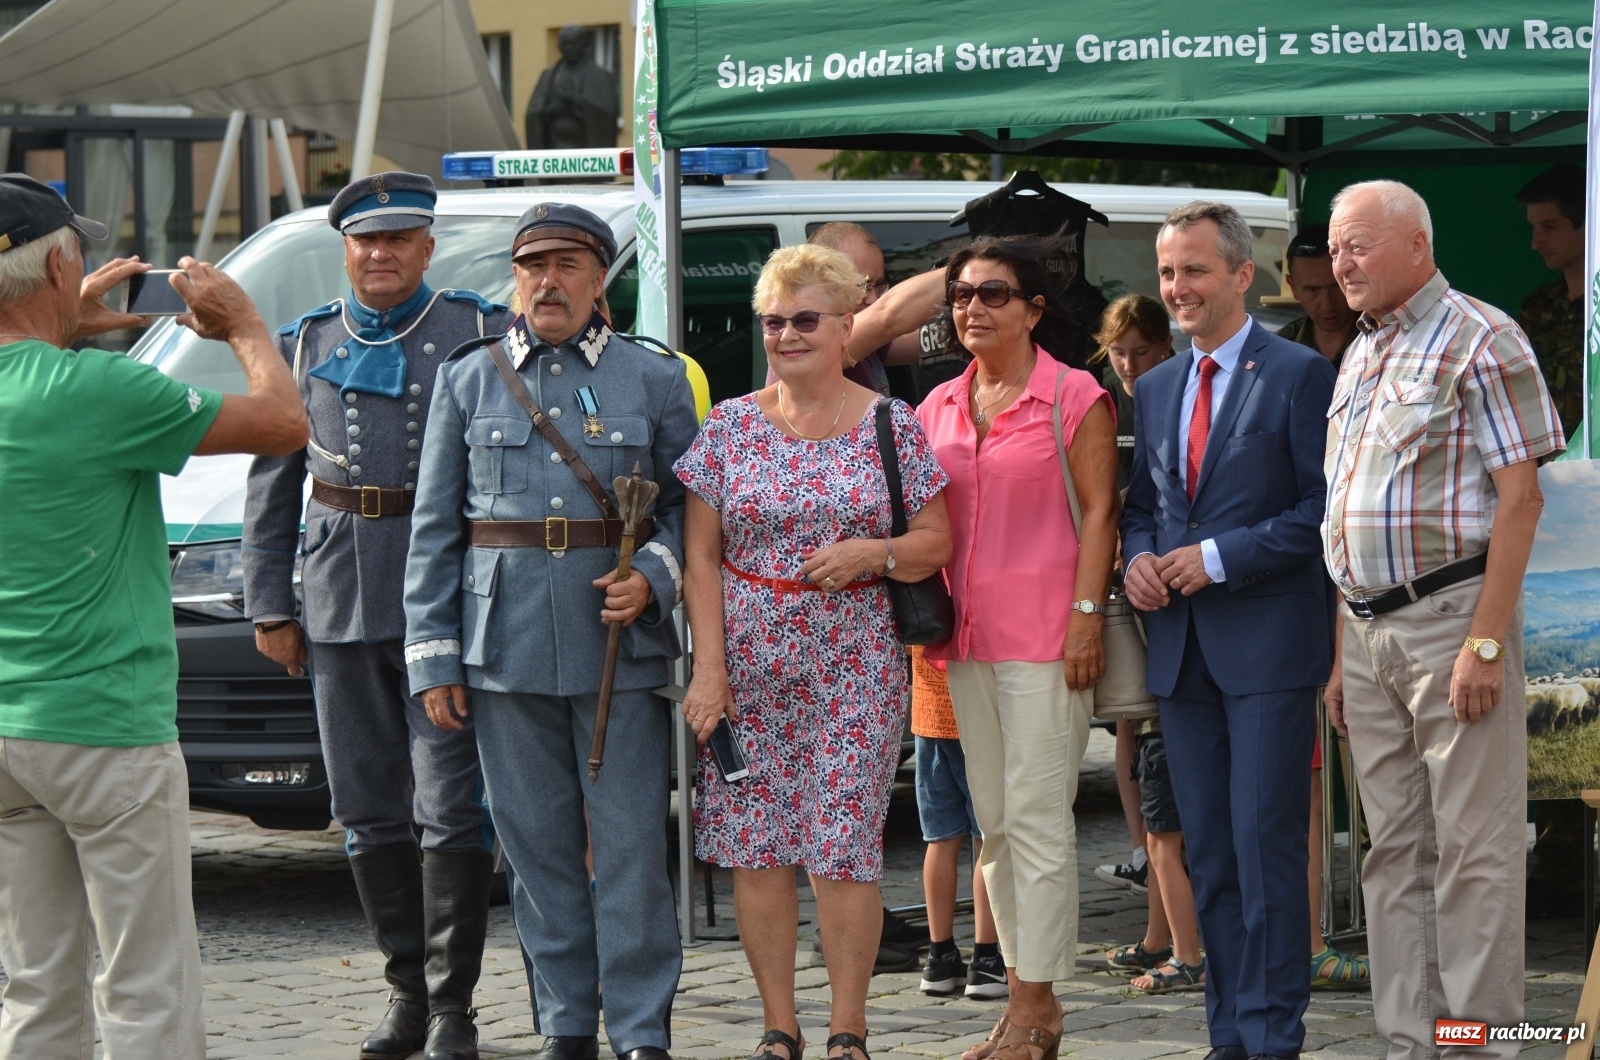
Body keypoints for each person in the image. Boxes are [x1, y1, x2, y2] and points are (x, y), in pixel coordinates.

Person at [0, 174, 307, 1058]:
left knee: (33, 984)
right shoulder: (92, 390)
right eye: (79, 255)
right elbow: (284, 423)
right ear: (62, 263)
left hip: (7, 728)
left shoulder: (64, 381)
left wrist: (57, 318)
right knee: (148, 988)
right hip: (103, 725)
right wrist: (247, 326)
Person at [404, 202, 697, 1060]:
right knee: (535, 853)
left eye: (569, 264)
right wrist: (434, 658)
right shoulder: (471, 377)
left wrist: (652, 577)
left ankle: (642, 1029)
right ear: (515, 277)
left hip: (620, 648)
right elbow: (433, 532)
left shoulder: (655, 380)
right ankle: (566, 1023)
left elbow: (690, 511)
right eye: (533, 264)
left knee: (635, 848)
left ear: (600, 281)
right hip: (506, 645)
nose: (549, 280)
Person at [244, 171, 511, 1060]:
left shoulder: (478, 331)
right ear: (346, 249)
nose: (382, 254)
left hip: (443, 598)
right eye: (367, 240)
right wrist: (269, 603)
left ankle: (454, 1008)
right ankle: (404, 994)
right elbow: (274, 480)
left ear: (427, 249)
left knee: (449, 805)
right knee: (364, 806)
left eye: (399, 240)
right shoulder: (310, 340)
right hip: (338, 598)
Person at [675, 242, 951, 1060]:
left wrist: (874, 554)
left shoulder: (891, 424)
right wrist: (710, 670)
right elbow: (699, 558)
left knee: (842, 846)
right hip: (748, 668)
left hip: (854, 667)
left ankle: (848, 1027)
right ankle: (778, 1025)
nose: (787, 335)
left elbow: (936, 540)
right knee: (756, 850)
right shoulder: (727, 425)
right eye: (773, 321)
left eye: (804, 319)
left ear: (845, 326)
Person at [1322, 180, 1564, 1060]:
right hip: (1368, 630)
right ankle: (1408, 1044)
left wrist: (1487, 640)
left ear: (1418, 244)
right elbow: (1345, 510)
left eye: (1358, 245)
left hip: (1454, 619)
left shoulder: (1482, 336)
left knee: (1474, 855)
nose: (1340, 263)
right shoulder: (1361, 352)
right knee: (1392, 857)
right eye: (1335, 247)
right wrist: (1342, 650)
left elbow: (1523, 499)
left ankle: (1475, 1048)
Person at [1121, 201, 1336, 1060]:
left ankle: (1272, 1035)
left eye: (1195, 270)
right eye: (1169, 272)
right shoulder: (1158, 383)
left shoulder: (1296, 375)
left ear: (1243, 276)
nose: (1178, 288)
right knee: (1208, 856)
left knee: (1262, 851)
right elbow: (1145, 511)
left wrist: (1219, 557)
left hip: (1269, 652)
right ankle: (1229, 1038)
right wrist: (1136, 561)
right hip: (1180, 654)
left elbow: (1323, 514)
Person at [917, 233, 1119, 1060]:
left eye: (994, 293)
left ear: (1036, 309)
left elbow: (1102, 512)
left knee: (1036, 820)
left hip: (1046, 637)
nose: (973, 307)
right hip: (962, 641)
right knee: (993, 822)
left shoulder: (1075, 396)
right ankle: (1022, 1003)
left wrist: (1087, 614)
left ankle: (1038, 1010)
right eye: (962, 294)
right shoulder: (934, 405)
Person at [909, 646, 1004, 1000]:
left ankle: (940, 956)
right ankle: (986, 958)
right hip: (975, 715)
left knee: (941, 840)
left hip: (928, 715)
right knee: (989, 839)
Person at [1104, 718, 1204, 996]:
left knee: (1161, 847)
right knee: (1158, 845)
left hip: (1164, 730)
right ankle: (1157, 943)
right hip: (1176, 729)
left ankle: (1187, 958)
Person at [1515, 164, 1585, 443]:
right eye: (1534, 227)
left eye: (1550, 227)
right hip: (1547, 467)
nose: (1536, 242)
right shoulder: (1536, 308)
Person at [1276, 226, 1359, 366]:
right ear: (1293, 287)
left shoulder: (1379, 339)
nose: (1327, 304)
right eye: (1312, 290)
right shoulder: (1281, 347)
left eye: (1336, 287)